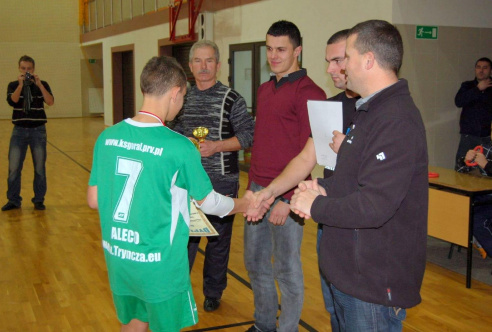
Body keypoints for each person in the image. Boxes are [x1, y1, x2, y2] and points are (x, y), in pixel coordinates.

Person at [87, 56, 266, 332]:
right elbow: (211, 203)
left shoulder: (107, 137)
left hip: (119, 257)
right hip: (160, 264)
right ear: (175, 93)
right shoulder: (179, 146)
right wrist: (246, 204)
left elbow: (94, 199)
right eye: (183, 96)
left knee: (134, 321)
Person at [290, 20, 428, 331]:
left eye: (346, 58)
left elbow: (375, 205)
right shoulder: (370, 112)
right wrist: (322, 188)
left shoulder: (396, 119)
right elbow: (354, 180)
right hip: (350, 276)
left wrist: (315, 206)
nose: (337, 69)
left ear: (368, 60)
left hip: (373, 285)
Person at [246, 29, 358, 332]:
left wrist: (286, 199)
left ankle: (288, 329)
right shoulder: (264, 89)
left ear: (297, 51)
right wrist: (253, 190)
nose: (273, 56)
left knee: (286, 268)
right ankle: (264, 325)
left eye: (281, 49)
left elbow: (308, 157)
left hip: (289, 196)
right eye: (269, 49)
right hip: (260, 190)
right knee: (255, 264)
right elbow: (261, 143)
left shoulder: (312, 94)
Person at [168, 40, 254, 312]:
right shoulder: (181, 97)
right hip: (186, 182)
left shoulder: (232, 99)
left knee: (217, 243)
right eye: (198, 61)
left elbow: (248, 136)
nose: (203, 67)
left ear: (218, 65)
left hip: (222, 181)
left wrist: (217, 146)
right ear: (190, 65)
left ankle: (213, 292)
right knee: (185, 241)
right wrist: (186, 142)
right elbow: (171, 131)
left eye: (209, 61)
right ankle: (178, 290)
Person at [2, 55, 54, 211]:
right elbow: (13, 101)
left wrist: (39, 85)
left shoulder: (42, 84)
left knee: (39, 167)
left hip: (38, 131)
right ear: (19, 69)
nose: (26, 71)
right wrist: (20, 85)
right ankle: (13, 200)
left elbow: (50, 101)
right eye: (23, 68)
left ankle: (39, 200)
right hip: (18, 131)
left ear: (34, 69)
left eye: (29, 69)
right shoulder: (12, 85)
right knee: (14, 167)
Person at [454, 57, 492, 169]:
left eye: (485, 68)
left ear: (490, 70)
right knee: (462, 167)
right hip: (468, 135)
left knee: (485, 169)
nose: (481, 70)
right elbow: (458, 101)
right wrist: (477, 89)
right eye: (478, 67)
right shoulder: (467, 86)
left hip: (487, 137)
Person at [456, 142, 492, 257]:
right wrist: (465, 161)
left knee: (476, 219)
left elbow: (486, 167)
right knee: (459, 208)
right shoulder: (485, 148)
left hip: (487, 199)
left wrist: (486, 165)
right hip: (483, 195)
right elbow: (460, 171)